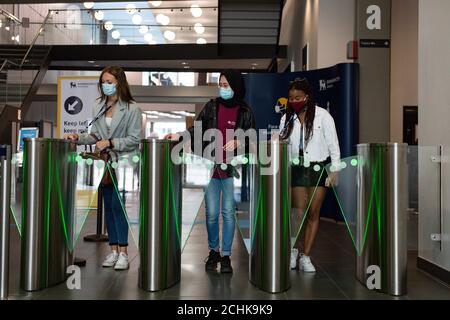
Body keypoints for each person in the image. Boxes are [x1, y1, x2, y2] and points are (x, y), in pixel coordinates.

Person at [166, 70, 255, 273]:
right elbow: (196, 128)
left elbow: (252, 138)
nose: (222, 88)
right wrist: (179, 135)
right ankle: (213, 251)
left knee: (228, 213)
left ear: (236, 86)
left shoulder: (245, 111)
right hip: (210, 168)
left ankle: (225, 256)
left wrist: (240, 141)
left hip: (233, 170)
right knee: (212, 213)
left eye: (226, 85)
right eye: (220, 85)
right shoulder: (212, 106)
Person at [65, 66, 142, 270]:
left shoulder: (132, 108)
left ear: (119, 83)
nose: (105, 85)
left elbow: (135, 140)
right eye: (103, 82)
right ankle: (113, 250)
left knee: (119, 207)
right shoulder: (97, 105)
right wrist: (78, 137)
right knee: (108, 206)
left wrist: (111, 142)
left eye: (109, 82)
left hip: (123, 163)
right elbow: (95, 136)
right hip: (104, 163)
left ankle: (124, 252)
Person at [279, 78, 340, 272]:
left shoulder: (323, 116)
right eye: (291, 98)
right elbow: (282, 143)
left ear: (307, 97)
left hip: (318, 167)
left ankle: (306, 256)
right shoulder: (286, 117)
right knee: (298, 213)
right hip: (296, 168)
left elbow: (333, 144)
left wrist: (335, 169)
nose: (294, 100)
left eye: (298, 97)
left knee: (314, 213)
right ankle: (293, 251)